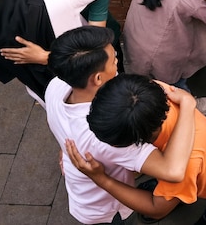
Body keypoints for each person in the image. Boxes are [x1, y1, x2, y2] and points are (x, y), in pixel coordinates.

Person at [46, 26, 197, 225]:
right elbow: (173, 170)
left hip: (83, 196)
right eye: (114, 59)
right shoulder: (108, 133)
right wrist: (188, 104)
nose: (117, 60)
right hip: (108, 209)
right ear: (97, 79)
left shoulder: (56, 86)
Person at [66, 74, 206, 225]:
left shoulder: (184, 167)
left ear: (138, 140)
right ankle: (176, 197)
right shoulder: (152, 92)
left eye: (112, 143)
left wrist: (102, 179)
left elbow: (156, 208)